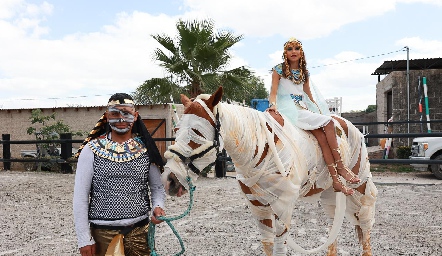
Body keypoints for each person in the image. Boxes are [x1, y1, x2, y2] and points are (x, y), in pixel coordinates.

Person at [73, 93, 166, 256]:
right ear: (107, 116)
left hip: (140, 232)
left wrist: (158, 206)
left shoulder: (146, 149)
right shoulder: (91, 150)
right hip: (103, 234)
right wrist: (84, 239)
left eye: (127, 113)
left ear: (135, 116)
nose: (121, 119)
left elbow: (157, 187)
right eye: (115, 114)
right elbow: (80, 196)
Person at [268, 37, 360, 195]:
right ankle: (342, 167)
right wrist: (272, 105)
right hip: (288, 109)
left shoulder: (304, 73)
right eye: (290, 49)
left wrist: (316, 109)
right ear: (285, 53)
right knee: (329, 122)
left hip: (302, 109)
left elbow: (308, 95)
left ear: (301, 52)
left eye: (296, 48)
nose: (293, 52)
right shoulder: (278, 70)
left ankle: (336, 181)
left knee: (323, 139)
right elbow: (273, 92)